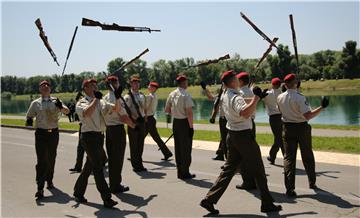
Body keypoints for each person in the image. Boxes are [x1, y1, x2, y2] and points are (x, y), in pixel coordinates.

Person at [200, 70, 282, 215]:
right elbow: (244, 112)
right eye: (236, 79)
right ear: (232, 81)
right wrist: (256, 99)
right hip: (243, 136)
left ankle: (209, 199)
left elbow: (242, 106)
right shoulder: (235, 97)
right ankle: (267, 203)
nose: (238, 80)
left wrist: (257, 98)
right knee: (259, 170)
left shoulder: (225, 95)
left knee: (228, 170)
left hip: (232, 135)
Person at [277, 73, 329, 197]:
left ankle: (289, 188)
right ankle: (312, 182)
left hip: (287, 128)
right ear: (296, 83)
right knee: (307, 155)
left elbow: (279, 111)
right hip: (301, 128)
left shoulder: (280, 97)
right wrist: (322, 107)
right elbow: (308, 116)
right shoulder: (300, 97)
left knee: (289, 158)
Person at [73, 78, 121, 208]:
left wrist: (117, 97)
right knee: (98, 167)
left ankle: (78, 191)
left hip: (99, 137)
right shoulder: (81, 102)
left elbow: (116, 109)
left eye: (95, 85)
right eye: (91, 85)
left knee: (89, 166)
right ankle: (107, 198)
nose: (95, 87)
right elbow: (87, 113)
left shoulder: (101, 101)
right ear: (85, 89)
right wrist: (96, 100)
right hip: (88, 138)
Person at [26, 80, 70, 200]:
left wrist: (61, 106)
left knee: (51, 158)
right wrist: (29, 122)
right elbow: (29, 116)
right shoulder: (35, 103)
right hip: (41, 134)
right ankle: (40, 187)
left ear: (50, 89)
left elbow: (67, 112)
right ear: (40, 89)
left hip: (53, 133)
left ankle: (49, 180)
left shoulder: (56, 101)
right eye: (43, 86)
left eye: (48, 85)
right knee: (41, 160)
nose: (45, 87)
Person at [103, 75, 135, 193]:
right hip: (117, 130)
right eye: (116, 82)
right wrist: (133, 126)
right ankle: (116, 185)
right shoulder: (117, 99)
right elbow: (123, 117)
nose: (118, 84)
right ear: (114, 84)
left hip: (109, 129)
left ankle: (113, 183)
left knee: (112, 159)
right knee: (117, 158)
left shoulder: (105, 98)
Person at [165, 75, 195, 180]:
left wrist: (175, 113)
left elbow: (167, 110)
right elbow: (189, 113)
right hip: (184, 123)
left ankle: (180, 172)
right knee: (186, 148)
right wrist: (191, 127)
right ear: (184, 83)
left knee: (178, 148)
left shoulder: (172, 94)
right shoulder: (185, 94)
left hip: (176, 122)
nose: (187, 83)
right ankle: (185, 172)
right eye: (186, 82)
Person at [235, 72, 257, 190]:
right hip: (251, 122)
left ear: (241, 81)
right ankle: (253, 179)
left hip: (243, 123)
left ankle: (248, 181)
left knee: (243, 154)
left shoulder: (241, 93)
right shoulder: (251, 91)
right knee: (251, 153)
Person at [144, 81, 173, 160]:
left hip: (148, 119)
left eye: (149, 86)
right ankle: (167, 153)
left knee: (142, 138)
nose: (148, 87)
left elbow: (145, 107)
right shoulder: (154, 96)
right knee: (143, 138)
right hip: (150, 119)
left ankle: (135, 156)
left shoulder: (150, 96)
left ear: (153, 88)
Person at [124, 75, 147, 172]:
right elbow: (126, 110)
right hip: (133, 122)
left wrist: (145, 118)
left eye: (137, 83)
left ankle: (139, 163)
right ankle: (135, 165)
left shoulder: (142, 95)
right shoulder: (128, 96)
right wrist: (134, 119)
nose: (136, 84)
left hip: (142, 121)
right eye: (134, 83)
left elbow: (144, 107)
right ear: (131, 84)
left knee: (140, 144)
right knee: (134, 145)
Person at [202, 81, 228, 161]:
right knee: (224, 138)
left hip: (229, 119)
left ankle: (226, 157)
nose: (223, 86)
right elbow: (211, 97)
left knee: (227, 138)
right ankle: (220, 154)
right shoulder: (221, 95)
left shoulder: (231, 94)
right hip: (222, 119)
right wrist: (205, 89)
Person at [262, 77, 284, 165]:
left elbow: (260, 98)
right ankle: (272, 156)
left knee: (279, 138)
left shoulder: (268, 94)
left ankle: (281, 156)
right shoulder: (283, 94)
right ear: (279, 85)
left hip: (273, 118)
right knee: (279, 137)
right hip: (282, 117)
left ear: (272, 84)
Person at [69, 92, 85, 173]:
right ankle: (78, 166)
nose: (80, 100)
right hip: (82, 126)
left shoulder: (88, 102)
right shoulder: (79, 104)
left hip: (89, 127)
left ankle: (103, 159)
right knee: (80, 147)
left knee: (89, 148)